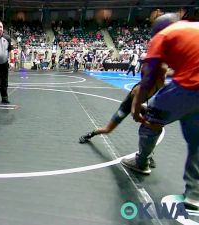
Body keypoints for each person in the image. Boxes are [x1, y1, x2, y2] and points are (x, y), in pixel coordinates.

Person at [120, 13, 199, 209]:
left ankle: (142, 161)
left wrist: (137, 109)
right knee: (197, 141)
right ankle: (195, 193)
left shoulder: (163, 36)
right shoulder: (192, 28)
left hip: (189, 88)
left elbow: (148, 81)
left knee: (151, 118)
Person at [79, 64, 169, 168]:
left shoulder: (159, 82)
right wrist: (148, 124)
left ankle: (147, 155)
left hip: (140, 106)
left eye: (165, 74)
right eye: (162, 75)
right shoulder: (140, 89)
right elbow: (134, 113)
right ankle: (90, 134)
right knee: (108, 129)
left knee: (154, 130)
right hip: (127, 108)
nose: (165, 77)